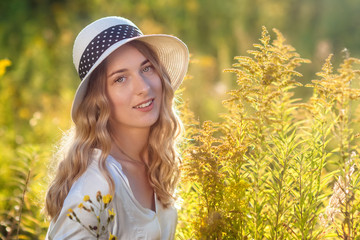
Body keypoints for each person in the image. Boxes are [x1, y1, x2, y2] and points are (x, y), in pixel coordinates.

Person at [45, 16, 189, 239]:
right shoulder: (96, 184)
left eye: (147, 68)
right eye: (120, 79)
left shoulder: (156, 162)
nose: (143, 87)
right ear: (98, 99)